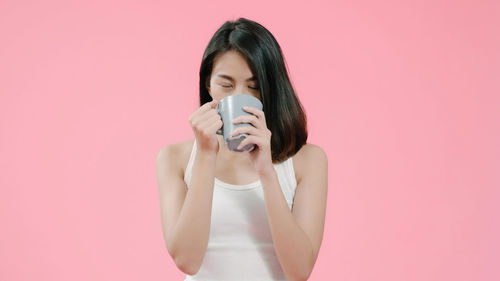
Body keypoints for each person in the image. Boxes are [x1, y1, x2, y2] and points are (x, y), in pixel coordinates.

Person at [156, 17, 328, 281]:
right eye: (226, 85)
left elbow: (299, 271)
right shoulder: (175, 159)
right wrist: (205, 154)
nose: (239, 96)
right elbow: (187, 260)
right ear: (208, 85)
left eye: (254, 87)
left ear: (272, 89)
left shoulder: (307, 160)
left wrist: (266, 171)